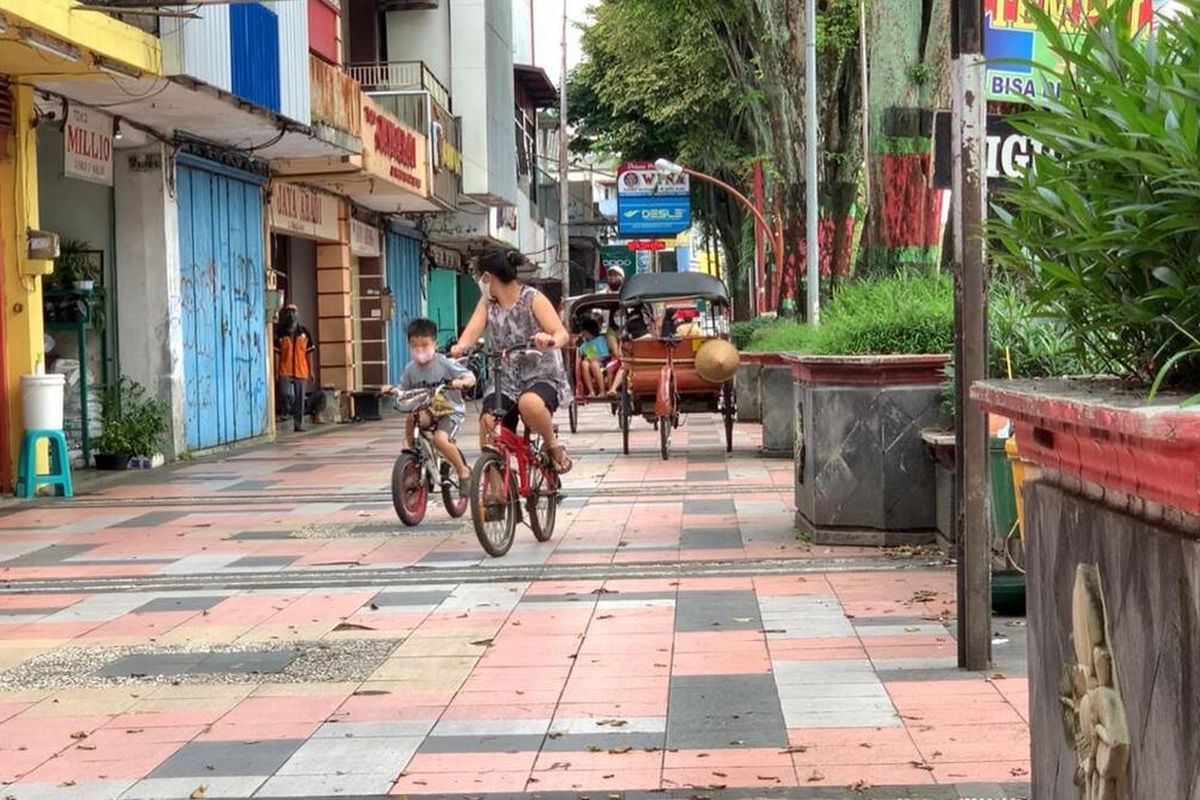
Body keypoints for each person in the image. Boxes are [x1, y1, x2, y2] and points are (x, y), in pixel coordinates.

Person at [452, 248, 574, 474]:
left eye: (480, 277)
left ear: (488, 277)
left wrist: (549, 339)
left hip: (541, 375)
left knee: (530, 404)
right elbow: (472, 330)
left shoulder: (533, 299)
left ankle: (552, 445)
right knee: (488, 422)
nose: (480, 282)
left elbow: (561, 333)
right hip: (505, 378)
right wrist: (460, 348)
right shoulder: (488, 302)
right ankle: (495, 488)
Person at [395, 317, 476, 488]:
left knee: (440, 440)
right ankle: (413, 457)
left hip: (449, 411)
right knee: (412, 417)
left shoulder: (444, 363)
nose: (419, 350)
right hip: (428, 411)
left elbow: (469, 376)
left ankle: (463, 471)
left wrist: (462, 382)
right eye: (414, 346)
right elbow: (402, 388)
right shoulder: (410, 369)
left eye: (424, 345)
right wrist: (393, 390)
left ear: (434, 342)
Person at [275, 303, 314, 432]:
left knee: (300, 398)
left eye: (294, 311)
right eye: (289, 311)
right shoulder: (280, 334)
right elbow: (277, 354)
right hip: (285, 369)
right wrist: (276, 371)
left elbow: (309, 353)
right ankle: (286, 412)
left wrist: (311, 370)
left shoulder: (304, 333)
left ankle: (298, 423)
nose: (291, 314)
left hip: (301, 369)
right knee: (285, 393)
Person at [577, 316, 611, 397]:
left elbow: (605, 355)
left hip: (602, 366)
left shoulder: (600, 340)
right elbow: (580, 354)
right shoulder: (584, 344)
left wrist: (595, 358)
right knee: (584, 364)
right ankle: (591, 392)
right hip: (589, 365)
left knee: (594, 364)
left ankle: (602, 391)